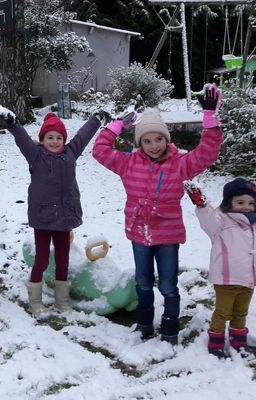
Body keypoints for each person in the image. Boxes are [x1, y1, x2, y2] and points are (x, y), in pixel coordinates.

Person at [92, 84, 224, 344]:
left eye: (159, 139)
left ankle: (170, 328)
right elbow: (100, 151)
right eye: (147, 140)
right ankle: (144, 324)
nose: (153, 145)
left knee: (168, 286)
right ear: (140, 142)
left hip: (167, 234)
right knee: (143, 283)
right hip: (138, 234)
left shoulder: (180, 165)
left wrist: (209, 120)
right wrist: (116, 125)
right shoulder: (128, 163)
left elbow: (207, 154)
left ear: (167, 139)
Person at [0, 108, 101, 317]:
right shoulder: (36, 155)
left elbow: (83, 136)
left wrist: (95, 120)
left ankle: (62, 301)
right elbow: (23, 139)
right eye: (49, 137)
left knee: (63, 259)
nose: (54, 141)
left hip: (65, 217)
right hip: (43, 218)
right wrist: (13, 124)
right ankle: (35, 301)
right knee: (41, 260)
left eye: (59, 137)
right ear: (42, 139)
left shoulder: (70, 153)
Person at [187, 178, 256, 358]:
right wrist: (202, 205)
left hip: (249, 279)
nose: (246, 207)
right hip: (226, 278)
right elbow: (208, 218)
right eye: (240, 202)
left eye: (251, 203)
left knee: (241, 312)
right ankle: (216, 341)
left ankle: (238, 340)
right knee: (223, 312)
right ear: (229, 202)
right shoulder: (221, 222)